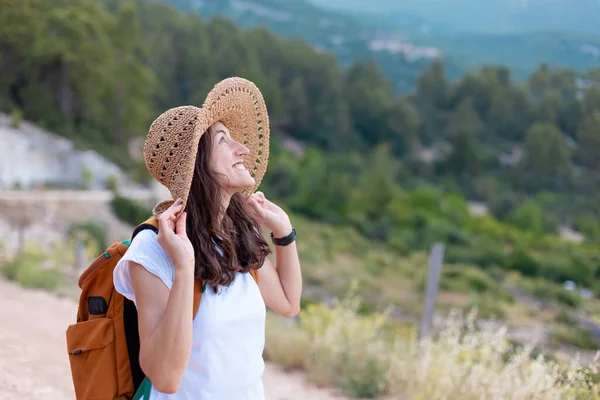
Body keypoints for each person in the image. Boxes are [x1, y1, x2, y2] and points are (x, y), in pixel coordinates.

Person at [112, 77, 302, 399]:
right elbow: (166, 378)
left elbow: (288, 302)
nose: (242, 149)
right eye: (223, 141)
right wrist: (184, 267)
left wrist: (284, 232)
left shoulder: (235, 236)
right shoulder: (153, 249)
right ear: (196, 163)